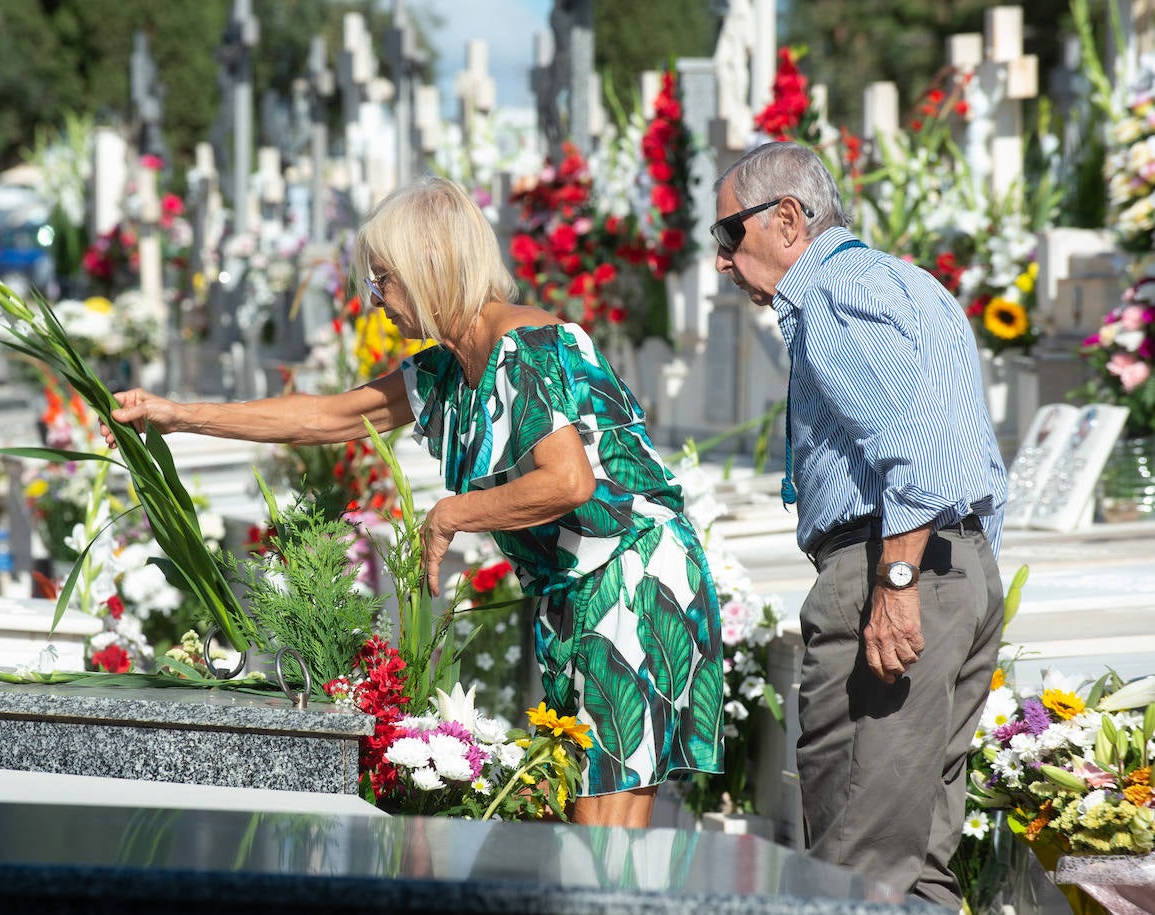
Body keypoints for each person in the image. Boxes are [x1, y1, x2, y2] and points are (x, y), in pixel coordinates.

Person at [105, 176, 725, 828]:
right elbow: (322, 417)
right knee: (584, 826)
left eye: (384, 279)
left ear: (431, 265)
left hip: (631, 574)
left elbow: (569, 482)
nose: (375, 300)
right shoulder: (445, 371)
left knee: (605, 834)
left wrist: (450, 514)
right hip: (576, 587)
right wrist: (178, 415)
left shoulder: (529, 347)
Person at [710, 142, 1007, 909]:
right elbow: (963, 448)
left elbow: (917, 445)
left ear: (785, 218)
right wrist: (958, 580)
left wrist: (898, 583)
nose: (721, 262)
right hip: (959, 564)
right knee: (922, 868)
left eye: (727, 237)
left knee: (851, 866)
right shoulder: (911, 284)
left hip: (892, 566)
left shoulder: (832, 294)